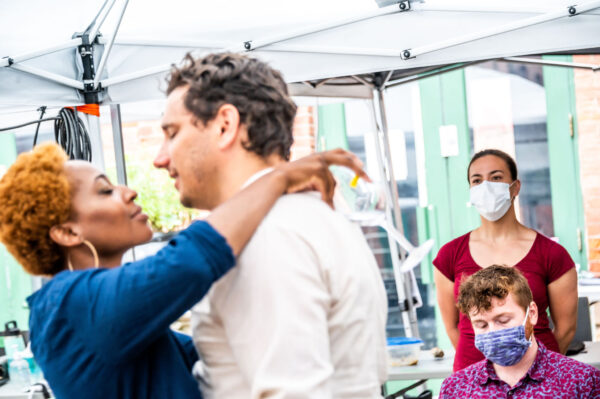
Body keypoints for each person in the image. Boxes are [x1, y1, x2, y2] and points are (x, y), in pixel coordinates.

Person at [0, 141, 368, 399]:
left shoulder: (113, 320)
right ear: (67, 232)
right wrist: (276, 179)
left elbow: (216, 362)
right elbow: (188, 260)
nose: (128, 192)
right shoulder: (67, 307)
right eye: (104, 191)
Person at [153, 52, 388, 398]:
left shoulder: (264, 236)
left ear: (224, 125)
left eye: (172, 133)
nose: (160, 158)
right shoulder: (319, 211)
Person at [433, 149, 577, 371]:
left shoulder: (552, 254)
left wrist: (535, 370)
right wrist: (480, 368)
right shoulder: (450, 255)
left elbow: (566, 328)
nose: (486, 186)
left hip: (539, 378)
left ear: (515, 187)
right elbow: (453, 327)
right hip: (473, 380)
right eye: (477, 180)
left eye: (496, 177)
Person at [440, 265, 600, 398]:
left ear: (532, 314)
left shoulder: (583, 382)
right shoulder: (455, 389)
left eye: (503, 320)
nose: (492, 332)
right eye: (481, 325)